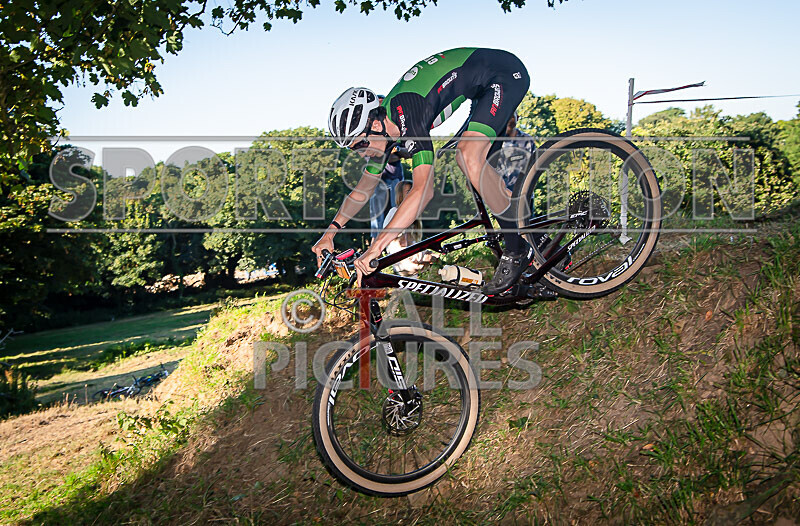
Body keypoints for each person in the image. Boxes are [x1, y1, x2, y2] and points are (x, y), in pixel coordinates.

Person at [312, 48, 531, 296]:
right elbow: (362, 190)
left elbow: (423, 190)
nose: (361, 154)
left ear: (374, 124)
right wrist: (329, 234)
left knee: (468, 155)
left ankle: (516, 251)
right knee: (476, 169)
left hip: (502, 74)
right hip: (482, 90)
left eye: (361, 145)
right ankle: (533, 238)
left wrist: (377, 247)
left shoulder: (407, 111)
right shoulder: (386, 132)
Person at [382, 180, 434, 276]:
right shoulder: (395, 212)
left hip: (409, 259)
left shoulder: (414, 216)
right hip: (402, 260)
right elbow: (401, 244)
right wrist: (422, 256)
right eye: (408, 191)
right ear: (400, 195)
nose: (412, 194)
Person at [496, 112, 535, 191]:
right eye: (505, 116)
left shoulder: (527, 140)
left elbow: (535, 166)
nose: (508, 119)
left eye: (511, 116)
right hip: (499, 196)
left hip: (524, 194)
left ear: (517, 117)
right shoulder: (494, 143)